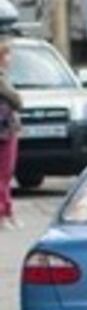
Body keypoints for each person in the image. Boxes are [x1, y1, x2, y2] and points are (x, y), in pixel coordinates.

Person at [0, 38, 16, 228]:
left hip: (6, 127)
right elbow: (17, 100)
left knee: (6, 173)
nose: (10, 59)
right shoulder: (1, 79)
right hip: (4, 129)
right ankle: (3, 213)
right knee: (4, 172)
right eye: (7, 55)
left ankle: (8, 211)